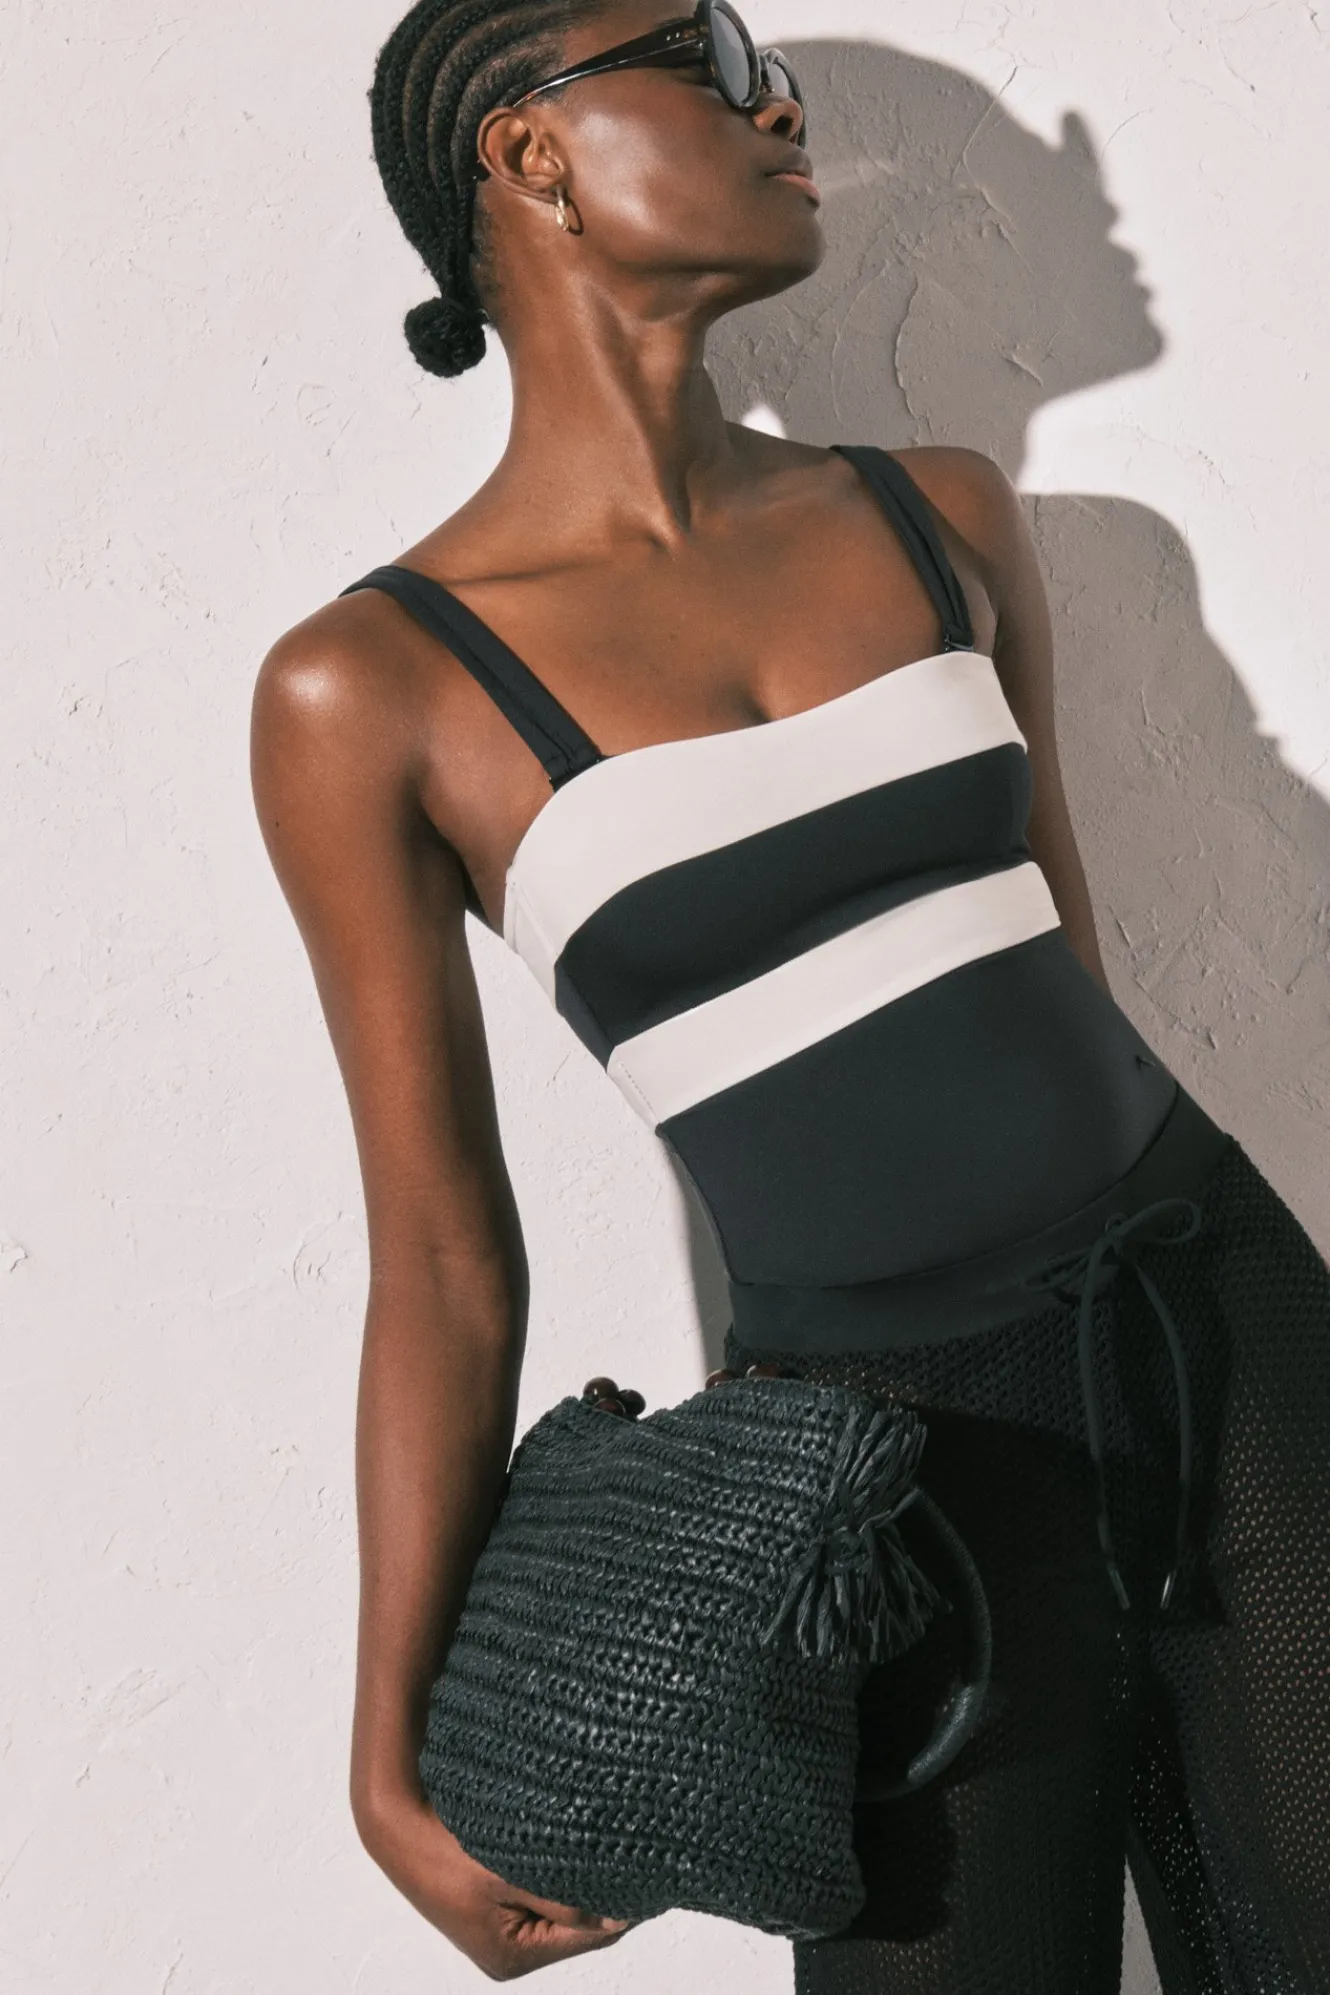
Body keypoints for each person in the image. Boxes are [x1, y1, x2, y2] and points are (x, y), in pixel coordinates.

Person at [249, 2, 1330, 1987]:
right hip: (884, 1480)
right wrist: (386, 1757)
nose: (777, 101)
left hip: (1223, 1335)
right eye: (706, 50)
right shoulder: (369, 689)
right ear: (528, 153)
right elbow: (443, 1251)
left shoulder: (940, 515)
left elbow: (1062, 968)